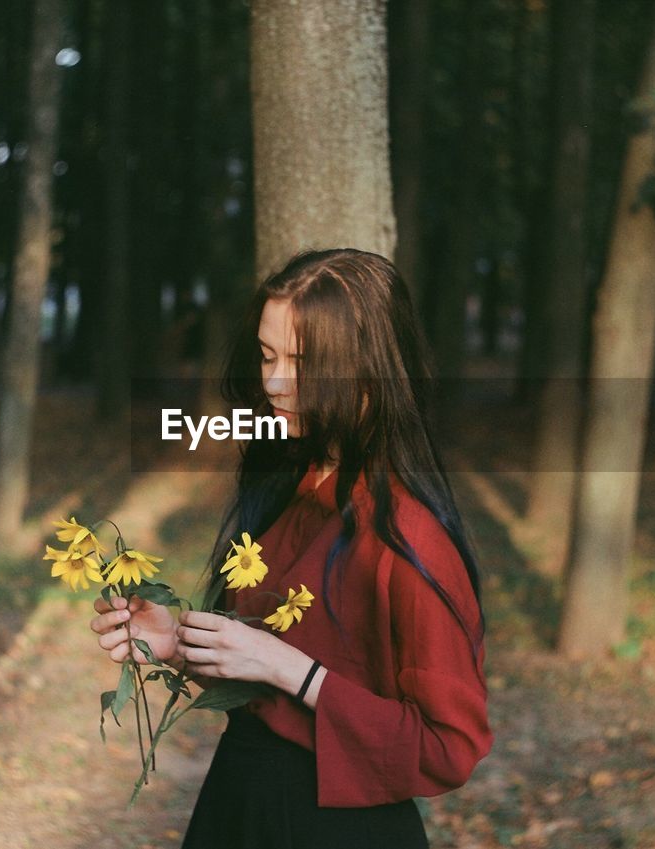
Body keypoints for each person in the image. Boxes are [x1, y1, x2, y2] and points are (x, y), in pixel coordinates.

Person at [90, 249, 493, 848]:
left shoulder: (408, 541)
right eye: (267, 354)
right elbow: (262, 688)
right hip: (239, 804)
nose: (275, 382)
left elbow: (448, 747)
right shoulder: (288, 490)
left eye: (301, 362)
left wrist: (293, 671)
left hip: (334, 829)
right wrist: (178, 647)